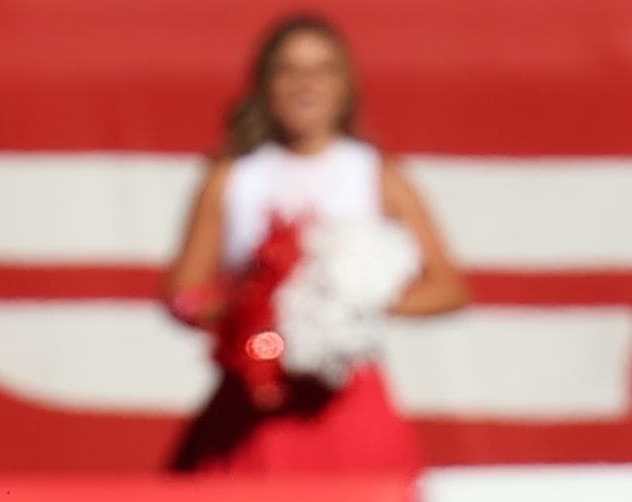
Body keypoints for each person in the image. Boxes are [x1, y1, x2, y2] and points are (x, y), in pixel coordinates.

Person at [163, 13, 467, 477]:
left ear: (345, 85)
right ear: (266, 84)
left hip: (346, 398)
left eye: (322, 70)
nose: (306, 84)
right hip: (254, 402)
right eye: (290, 70)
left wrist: (352, 302)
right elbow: (183, 295)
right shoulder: (233, 179)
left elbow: (450, 289)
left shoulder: (375, 175)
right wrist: (250, 307)